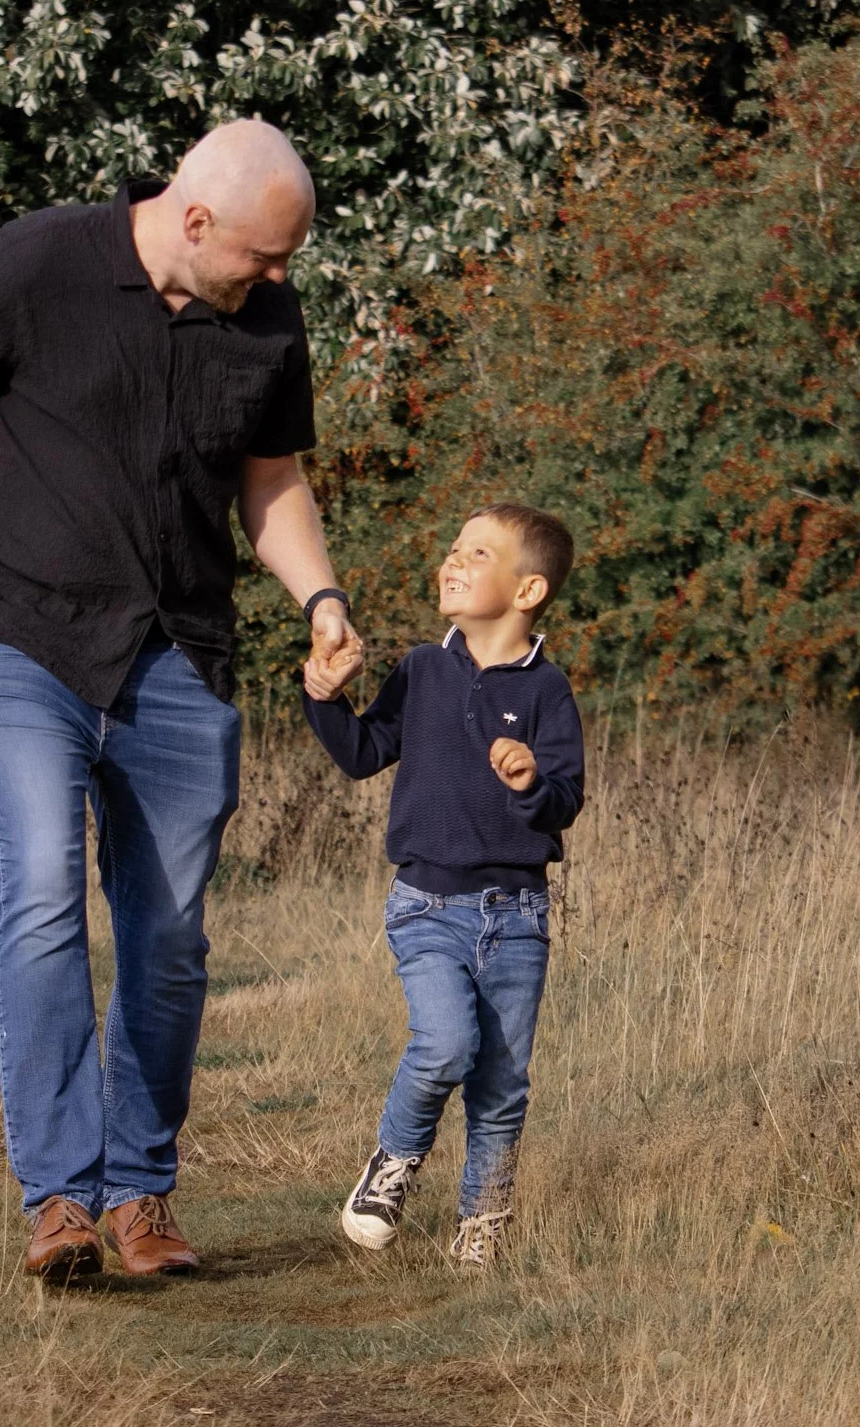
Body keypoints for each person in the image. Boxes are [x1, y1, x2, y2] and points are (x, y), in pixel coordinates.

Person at [0, 119, 364, 1282]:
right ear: (193, 217)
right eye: (261, 257)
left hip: (175, 652)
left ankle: (139, 1195)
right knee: (46, 881)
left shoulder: (263, 319)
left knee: (167, 939)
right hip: (14, 631)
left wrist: (319, 599)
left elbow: (270, 482)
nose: (275, 280)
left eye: (286, 263)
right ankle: (59, 1198)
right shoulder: (37, 265)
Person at [300, 503, 584, 1266]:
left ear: (527, 590)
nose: (452, 560)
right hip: (427, 903)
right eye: (453, 547)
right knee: (445, 1044)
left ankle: (481, 1225)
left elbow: (566, 795)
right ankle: (392, 1164)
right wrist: (325, 697)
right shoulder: (423, 669)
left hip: (520, 916)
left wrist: (531, 780)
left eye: (476, 553)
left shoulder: (548, 690)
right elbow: (363, 752)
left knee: (502, 1080)